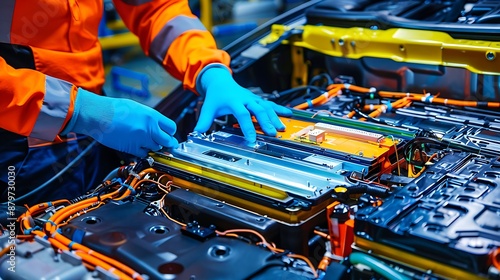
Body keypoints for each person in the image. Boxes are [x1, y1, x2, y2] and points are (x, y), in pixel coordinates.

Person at [0, 0, 291, 204]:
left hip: (93, 123)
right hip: (16, 139)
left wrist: (209, 69)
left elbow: (155, 7)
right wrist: (80, 111)